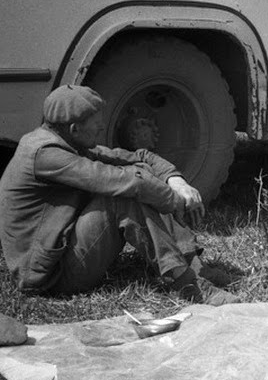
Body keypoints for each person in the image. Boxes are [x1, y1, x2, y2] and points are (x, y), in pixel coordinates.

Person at [0, 85, 238, 305]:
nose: (102, 128)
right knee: (124, 196)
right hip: (49, 276)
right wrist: (175, 201)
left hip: (61, 249)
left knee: (143, 179)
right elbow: (125, 182)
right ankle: (189, 286)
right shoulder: (46, 154)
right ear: (75, 128)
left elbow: (141, 158)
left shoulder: (66, 141)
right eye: (96, 124)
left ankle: (194, 267)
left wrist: (176, 181)